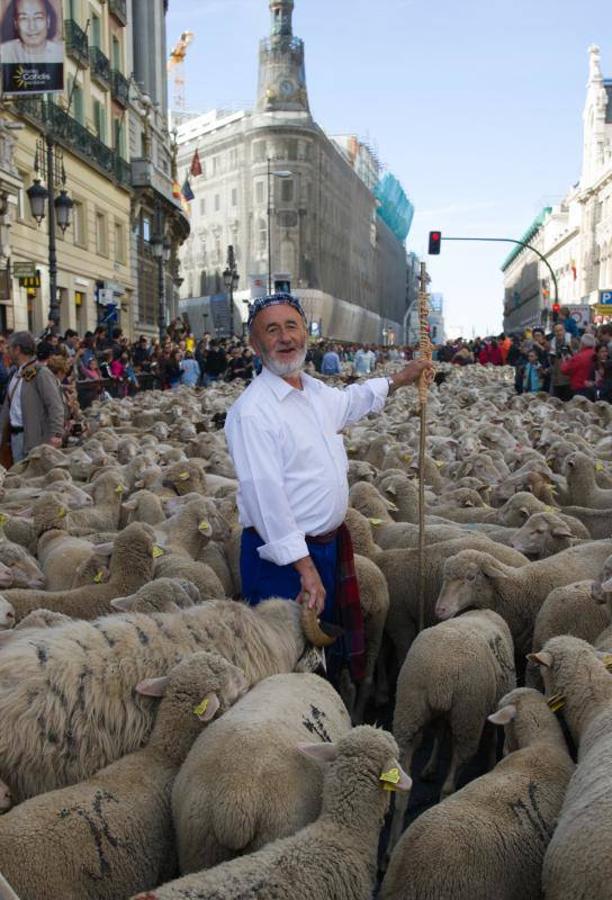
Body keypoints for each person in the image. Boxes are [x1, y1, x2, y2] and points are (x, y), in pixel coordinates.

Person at [225, 292, 434, 686]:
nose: (285, 337)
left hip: (326, 547)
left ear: (306, 332)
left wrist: (400, 380)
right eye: (272, 330)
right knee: (283, 667)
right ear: (254, 345)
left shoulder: (314, 392)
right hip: (283, 562)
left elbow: (351, 401)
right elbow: (266, 498)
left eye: (292, 326)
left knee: (322, 654)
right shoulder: (253, 412)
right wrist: (304, 568)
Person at [0, 331, 64, 463]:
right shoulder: (16, 373)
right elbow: (9, 407)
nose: (6, 352)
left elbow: (55, 405)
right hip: (16, 438)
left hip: (36, 440)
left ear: (17, 349)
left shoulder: (41, 373)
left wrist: (57, 433)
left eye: (9, 348)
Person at [561, 333, 597, 399]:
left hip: (579, 388)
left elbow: (565, 370)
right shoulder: (595, 354)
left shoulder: (579, 357)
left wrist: (565, 361)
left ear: (582, 344)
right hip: (593, 387)